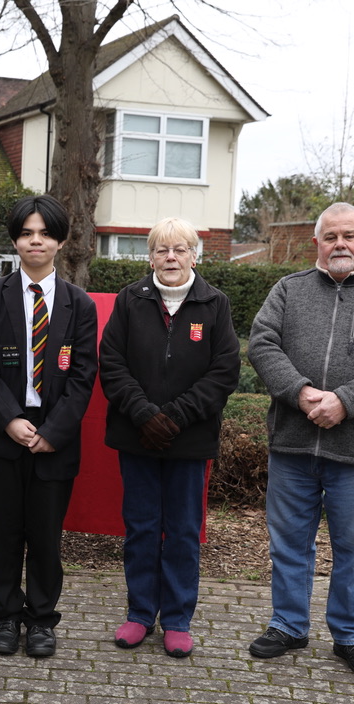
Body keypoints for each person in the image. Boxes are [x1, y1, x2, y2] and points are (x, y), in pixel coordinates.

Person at [247, 202, 354, 679]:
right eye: (331, 236)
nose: (340, 244)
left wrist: (346, 401)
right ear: (317, 243)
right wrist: (299, 392)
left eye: (349, 235)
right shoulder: (288, 290)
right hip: (292, 444)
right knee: (288, 543)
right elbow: (262, 343)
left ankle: (352, 636)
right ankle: (288, 625)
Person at [99, 217, 240, 659]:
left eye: (180, 249)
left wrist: (175, 416)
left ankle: (177, 620)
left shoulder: (215, 304)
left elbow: (224, 371)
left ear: (195, 256)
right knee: (141, 528)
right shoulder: (130, 300)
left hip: (189, 440)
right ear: (151, 258)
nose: (171, 257)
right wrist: (144, 414)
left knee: (181, 532)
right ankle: (140, 614)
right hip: (136, 435)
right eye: (162, 250)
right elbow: (111, 363)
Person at [0, 195, 97, 657]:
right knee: (3, 531)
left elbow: (83, 375)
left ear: (59, 241)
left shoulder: (79, 304)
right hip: (3, 431)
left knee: (45, 534)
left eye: (44, 233)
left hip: (54, 435)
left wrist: (53, 432)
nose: (35, 241)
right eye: (26, 233)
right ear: (15, 241)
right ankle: (4, 616)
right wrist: (10, 419)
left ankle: (41, 619)